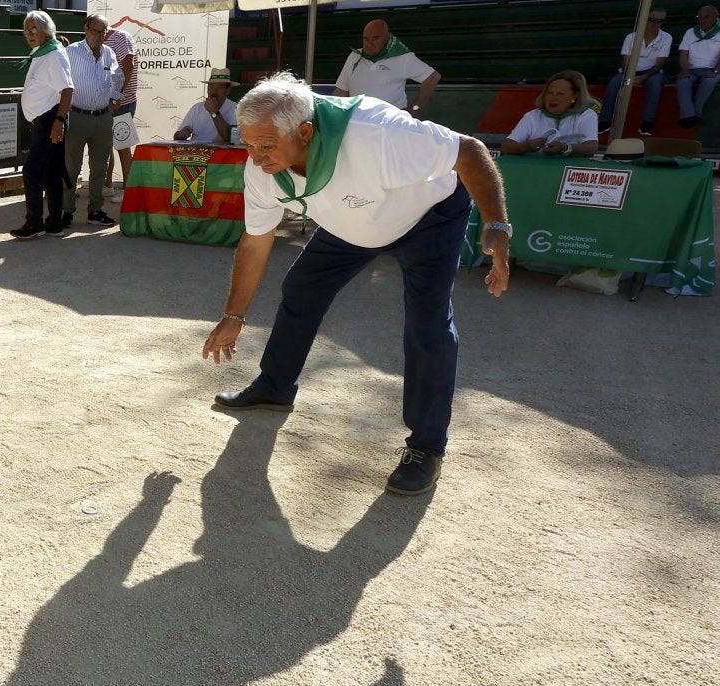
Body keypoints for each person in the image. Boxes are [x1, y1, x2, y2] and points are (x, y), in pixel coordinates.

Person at [201, 71, 511, 496]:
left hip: (429, 217)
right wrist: (233, 316)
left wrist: (496, 223)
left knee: (428, 324)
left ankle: (426, 446)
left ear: (306, 131)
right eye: (248, 144)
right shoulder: (263, 169)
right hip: (351, 225)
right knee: (301, 288)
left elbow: (470, 151)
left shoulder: (375, 132)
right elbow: (256, 243)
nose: (256, 157)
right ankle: (274, 386)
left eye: (266, 145)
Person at [10, 11, 74, 240]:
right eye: (26, 30)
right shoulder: (43, 52)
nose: (29, 34)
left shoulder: (54, 55)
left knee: (32, 171)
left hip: (49, 120)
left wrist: (58, 122)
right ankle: (54, 223)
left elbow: (67, 90)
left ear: (46, 29)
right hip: (44, 120)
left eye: (33, 29)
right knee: (51, 173)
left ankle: (34, 222)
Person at [63, 14, 122, 228]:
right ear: (86, 29)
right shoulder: (72, 52)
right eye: (96, 31)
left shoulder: (109, 53)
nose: (99, 36)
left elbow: (118, 77)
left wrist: (115, 97)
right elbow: (61, 79)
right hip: (77, 116)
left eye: (103, 31)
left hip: (102, 118)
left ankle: (95, 211)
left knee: (100, 168)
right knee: (71, 168)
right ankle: (66, 212)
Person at [333, 18, 440, 117]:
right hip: (359, 121)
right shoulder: (355, 56)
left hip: (391, 123)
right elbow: (341, 91)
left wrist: (414, 109)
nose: (369, 43)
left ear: (386, 38)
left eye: (375, 38)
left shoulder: (402, 57)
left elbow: (433, 77)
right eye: (366, 39)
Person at [598, 8, 670, 135]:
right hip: (629, 71)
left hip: (651, 73)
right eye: (651, 19)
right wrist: (630, 77)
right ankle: (604, 122)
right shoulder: (631, 37)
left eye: (659, 21)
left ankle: (646, 123)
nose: (654, 23)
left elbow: (660, 62)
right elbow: (625, 61)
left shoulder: (666, 37)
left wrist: (644, 77)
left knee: (656, 83)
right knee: (614, 83)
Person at [503, 71, 599, 157]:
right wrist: (526, 146)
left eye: (560, 94)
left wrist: (565, 148)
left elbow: (591, 147)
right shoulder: (533, 116)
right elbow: (506, 147)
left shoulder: (586, 115)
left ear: (575, 95)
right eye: (550, 93)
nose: (553, 97)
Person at [676, 5, 720, 128]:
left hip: (711, 69)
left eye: (706, 17)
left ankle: (695, 115)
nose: (702, 20)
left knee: (709, 82)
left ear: (715, 17)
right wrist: (685, 71)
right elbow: (683, 55)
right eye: (700, 17)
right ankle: (688, 116)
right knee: (682, 82)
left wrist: (715, 70)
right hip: (691, 70)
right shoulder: (690, 32)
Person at [102, 22, 137, 201]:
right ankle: (107, 185)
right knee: (106, 145)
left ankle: (128, 190)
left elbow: (128, 65)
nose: (91, 34)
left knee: (123, 146)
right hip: (106, 103)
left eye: (95, 30)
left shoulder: (120, 37)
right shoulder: (101, 42)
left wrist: (119, 95)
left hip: (122, 102)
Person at [173, 69, 240, 144]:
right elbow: (176, 137)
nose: (214, 91)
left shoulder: (236, 109)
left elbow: (232, 139)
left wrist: (214, 113)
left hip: (221, 154)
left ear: (228, 90)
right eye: (211, 87)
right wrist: (181, 135)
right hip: (196, 153)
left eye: (219, 87)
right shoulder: (197, 108)